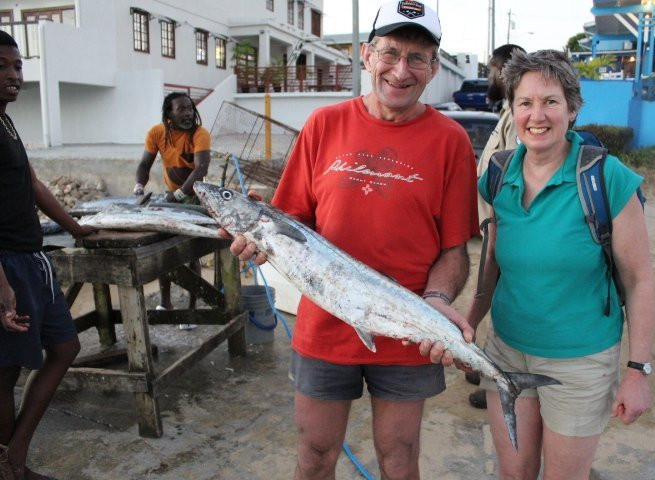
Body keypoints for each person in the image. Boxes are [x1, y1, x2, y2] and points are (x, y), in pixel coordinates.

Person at [223, 2, 479, 478]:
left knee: (399, 458)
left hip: (409, 332)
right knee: (316, 456)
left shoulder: (452, 141)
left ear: (433, 68)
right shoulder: (323, 125)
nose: (401, 70)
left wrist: (438, 300)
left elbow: (453, 250)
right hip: (324, 327)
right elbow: (289, 225)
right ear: (366, 55)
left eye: (417, 57)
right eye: (390, 52)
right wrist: (257, 234)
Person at [466, 49, 655, 479]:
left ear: (572, 109)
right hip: (507, 352)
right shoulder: (497, 173)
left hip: (580, 363)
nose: (538, 114)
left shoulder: (607, 178)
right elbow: (492, 260)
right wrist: (470, 323)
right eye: (525, 102)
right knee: (513, 474)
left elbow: (640, 280)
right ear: (511, 109)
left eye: (551, 101)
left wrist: (638, 371)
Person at [0, 31, 96, 480]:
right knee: (5, 372)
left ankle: (13, 456)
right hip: (5, 265)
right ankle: (9, 465)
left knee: (65, 346)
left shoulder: (5, 121)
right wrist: (2, 287)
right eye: (1, 66)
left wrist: (76, 226)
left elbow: (34, 183)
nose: (13, 75)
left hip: (31, 257)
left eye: (17, 66)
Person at [466, 43, 526, 410]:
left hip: (507, 227)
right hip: (494, 223)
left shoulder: (518, 118)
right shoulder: (506, 112)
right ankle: (484, 366)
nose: (488, 77)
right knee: (489, 295)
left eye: (491, 70)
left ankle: (497, 379)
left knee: (499, 301)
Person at [134, 92, 210, 324]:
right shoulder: (157, 133)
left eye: (190, 108)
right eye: (181, 109)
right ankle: (165, 302)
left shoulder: (199, 133)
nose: (188, 113)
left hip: (192, 197)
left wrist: (178, 194)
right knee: (164, 251)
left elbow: (201, 169)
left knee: (190, 253)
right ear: (169, 113)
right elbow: (145, 164)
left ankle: (191, 309)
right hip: (170, 197)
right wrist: (138, 186)